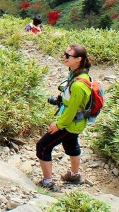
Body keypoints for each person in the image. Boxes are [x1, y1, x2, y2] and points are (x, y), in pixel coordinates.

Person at [36, 43, 92, 191]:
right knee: (72, 145)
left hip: (70, 123)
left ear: (78, 59)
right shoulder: (80, 74)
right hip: (77, 124)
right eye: (65, 54)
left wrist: (59, 125)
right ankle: (74, 175)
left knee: (42, 146)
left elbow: (72, 111)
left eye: (68, 55)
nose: (64, 57)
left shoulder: (79, 85)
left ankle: (48, 182)